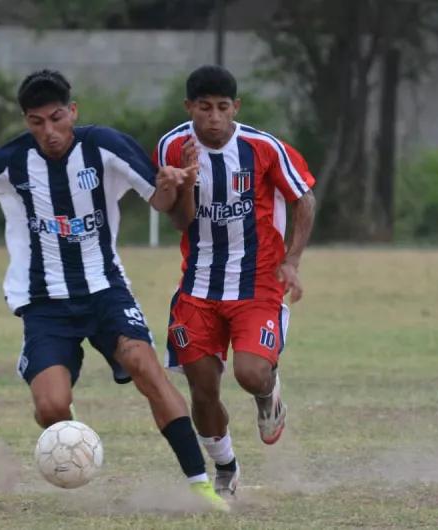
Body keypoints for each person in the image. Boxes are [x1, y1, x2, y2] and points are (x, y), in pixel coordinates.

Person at [0, 69, 228, 511]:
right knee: (52, 408)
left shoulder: (105, 146)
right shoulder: (9, 162)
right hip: (44, 303)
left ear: (72, 112)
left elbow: (163, 204)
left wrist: (176, 186)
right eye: (37, 123)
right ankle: (65, 433)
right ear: (26, 122)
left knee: (144, 366)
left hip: (105, 290)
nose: (50, 132)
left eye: (57, 119)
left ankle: (201, 486)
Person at [156, 65, 316, 498]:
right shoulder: (172, 146)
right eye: (204, 108)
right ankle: (225, 465)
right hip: (198, 286)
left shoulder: (263, 148)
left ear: (235, 108)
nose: (213, 117)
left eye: (222, 108)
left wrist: (293, 261)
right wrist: (185, 181)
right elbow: (177, 221)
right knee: (202, 390)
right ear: (189, 107)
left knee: (250, 373)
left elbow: (304, 199)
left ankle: (268, 394)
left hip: (257, 283)